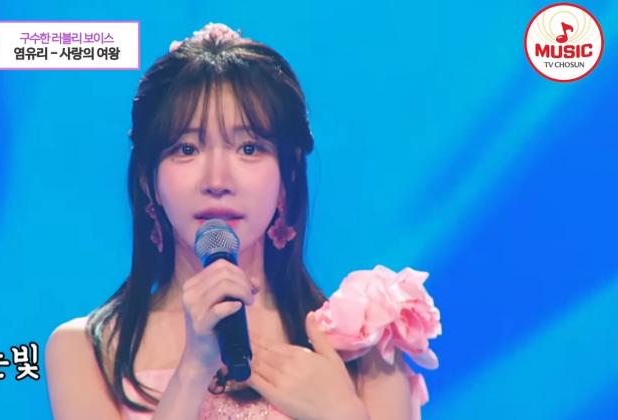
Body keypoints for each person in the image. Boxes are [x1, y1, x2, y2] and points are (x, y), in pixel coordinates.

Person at [45, 22, 440, 420]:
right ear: (150, 181)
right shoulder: (88, 350)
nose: (217, 180)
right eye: (187, 149)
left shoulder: (365, 341)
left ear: (287, 178)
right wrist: (194, 367)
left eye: (249, 148)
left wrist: (340, 413)